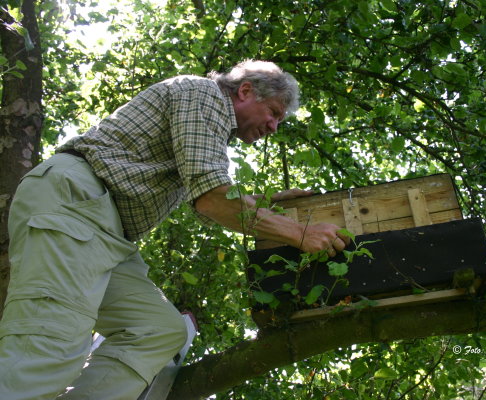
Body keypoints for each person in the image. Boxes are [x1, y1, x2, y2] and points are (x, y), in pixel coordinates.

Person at [0, 60, 349, 399]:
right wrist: (300, 233)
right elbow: (213, 200)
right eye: (273, 112)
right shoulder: (204, 95)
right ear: (245, 91)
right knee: (48, 342)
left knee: (157, 331)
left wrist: (268, 199)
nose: (274, 126)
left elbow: (209, 198)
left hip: (105, 229)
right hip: (76, 203)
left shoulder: (206, 131)